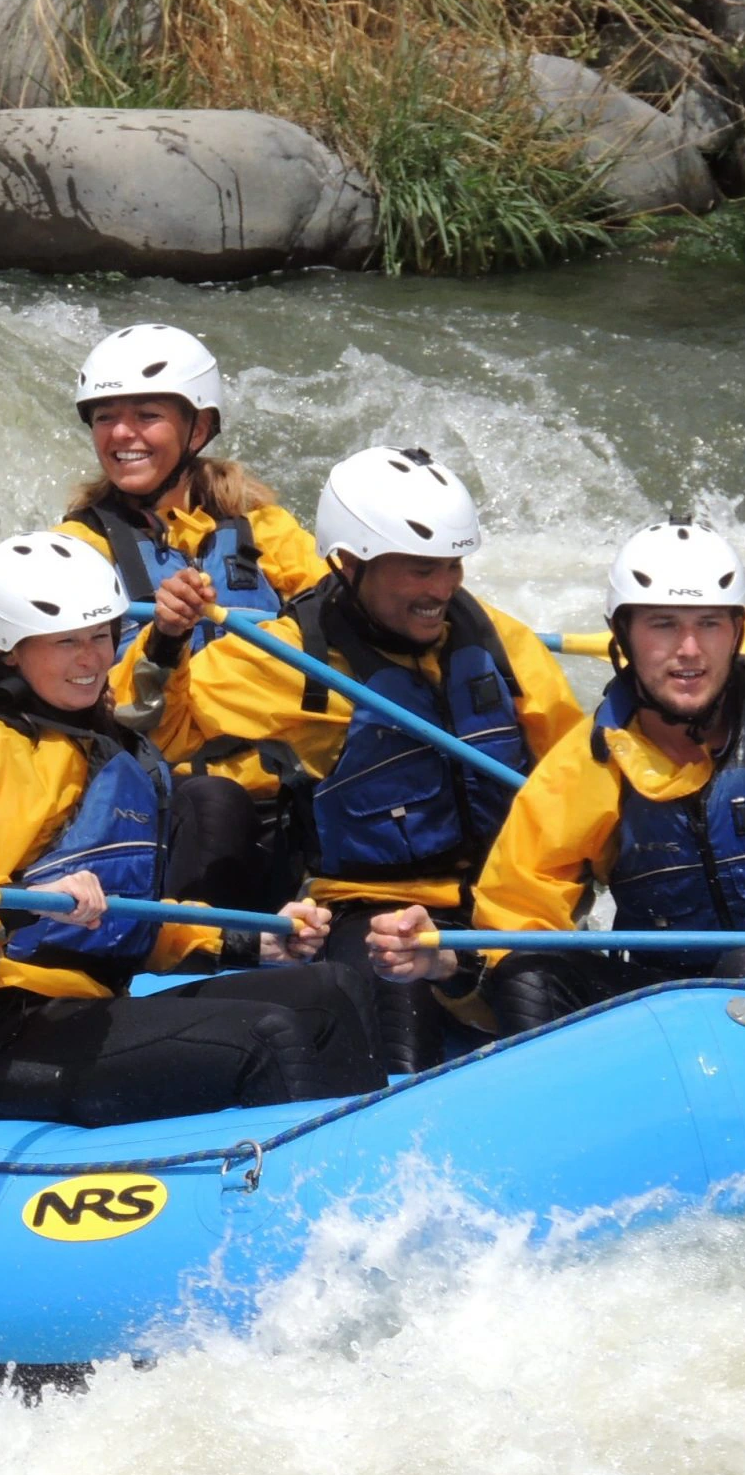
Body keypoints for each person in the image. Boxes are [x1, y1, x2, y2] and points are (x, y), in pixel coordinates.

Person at [363, 522, 745, 1031]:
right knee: (529, 976)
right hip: (669, 1019)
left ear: (737, 632)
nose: (689, 650)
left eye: (709, 624)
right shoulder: (587, 764)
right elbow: (516, 919)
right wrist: (452, 962)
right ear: (623, 636)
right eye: (663, 625)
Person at [0, 532, 383, 1127]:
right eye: (65, 642)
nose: (92, 660)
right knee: (271, 1035)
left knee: (332, 989)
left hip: (85, 1006)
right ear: (9, 650)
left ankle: (385, 1196)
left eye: (100, 636)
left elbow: (127, 918)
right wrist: (28, 909)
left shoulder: (100, 740)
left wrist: (249, 942)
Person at [149, 446, 583, 1073]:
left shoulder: (499, 642)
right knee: (393, 997)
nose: (443, 588)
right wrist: (165, 641)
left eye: (451, 566)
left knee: (539, 988)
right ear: (350, 563)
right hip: (366, 907)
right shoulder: (296, 657)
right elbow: (162, 731)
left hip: (499, 903)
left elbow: (576, 778)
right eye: (418, 570)